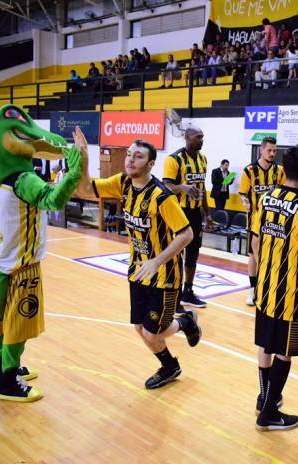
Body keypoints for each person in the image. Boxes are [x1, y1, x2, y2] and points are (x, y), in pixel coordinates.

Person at [75, 132, 202, 389]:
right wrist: (84, 158)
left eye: (138, 156)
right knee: (139, 327)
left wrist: (156, 261)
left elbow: (187, 234)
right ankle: (170, 366)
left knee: (152, 332)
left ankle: (185, 323)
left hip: (164, 275)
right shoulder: (123, 182)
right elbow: (85, 189)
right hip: (137, 269)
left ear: (151, 163)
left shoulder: (161, 196)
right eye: (129, 154)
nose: (131, 160)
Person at [251, 144, 298, 431]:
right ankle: (269, 413)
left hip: (264, 288)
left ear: (283, 170)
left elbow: (255, 241)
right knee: (285, 351)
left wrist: (266, 267)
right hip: (290, 295)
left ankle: (265, 398)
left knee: (265, 345)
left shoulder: (267, 198)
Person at [163, 126, 214, 309]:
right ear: (187, 137)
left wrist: (207, 214)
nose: (201, 140)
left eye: (202, 137)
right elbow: (166, 187)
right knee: (175, 255)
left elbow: (202, 188)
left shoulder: (203, 159)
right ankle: (174, 296)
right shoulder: (174, 159)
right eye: (198, 137)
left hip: (195, 214)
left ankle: (188, 291)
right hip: (178, 212)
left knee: (193, 254)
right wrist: (183, 188)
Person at [239, 136, 285, 306]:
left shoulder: (280, 171)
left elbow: (283, 192)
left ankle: (269, 287)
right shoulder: (249, 170)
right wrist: (245, 201)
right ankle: (253, 290)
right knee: (253, 255)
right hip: (255, 221)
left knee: (272, 254)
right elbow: (243, 193)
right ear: (261, 150)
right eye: (269, 150)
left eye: (275, 151)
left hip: (274, 222)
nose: (272, 153)